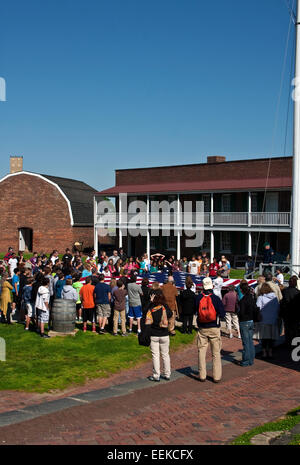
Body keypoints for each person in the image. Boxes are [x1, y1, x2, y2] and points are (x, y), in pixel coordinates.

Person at [195, 277, 225, 383]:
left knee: (201, 351)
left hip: (202, 328)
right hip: (214, 327)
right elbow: (222, 314)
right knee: (216, 353)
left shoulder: (198, 298)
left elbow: (196, 311)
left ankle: (202, 375)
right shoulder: (216, 299)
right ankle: (216, 376)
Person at [145, 289, 173, 382]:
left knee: (155, 356)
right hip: (164, 334)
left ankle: (156, 375)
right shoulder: (164, 307)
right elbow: (170, 314)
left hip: (154, 334)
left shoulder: (151, 307)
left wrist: (150, 301)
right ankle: (167, 373)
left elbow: (144, 311)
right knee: (165, 354)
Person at [254, 283, 280, 359]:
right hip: (273, 319)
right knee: (271, 338)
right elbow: (277, 308)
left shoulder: (261, 298)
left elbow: (257, 308)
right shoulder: (275, 297)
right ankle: (270, 352)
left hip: (263, 320)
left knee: (264, 337)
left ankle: (265, 352)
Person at [236, 282, 258, 367]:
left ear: (242, 290)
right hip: (251, 321)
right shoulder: (251, 298)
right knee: (250, 342)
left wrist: (238, 313)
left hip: (244, 321)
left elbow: (241, 312)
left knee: (246, 342)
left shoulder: (243, 300)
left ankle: (246, 360)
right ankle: (251, 360)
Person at [280, 276, 300, 346]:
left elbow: (282, 303)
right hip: (295, 313)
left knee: (287, 328)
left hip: (286, 313)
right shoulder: (297, 292)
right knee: (295, 328)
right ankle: (294, 342)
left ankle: (288, 342)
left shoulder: (284, 291)